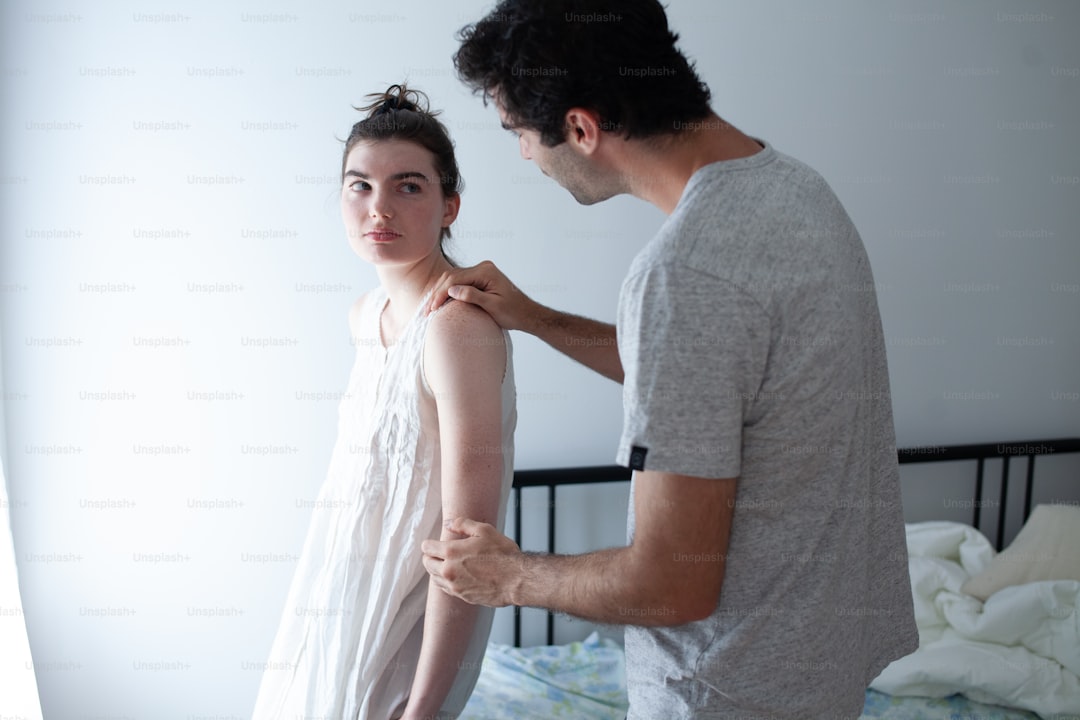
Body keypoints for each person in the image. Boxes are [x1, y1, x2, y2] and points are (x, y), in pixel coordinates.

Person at [420, 1, 918, 718]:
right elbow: (717, 379)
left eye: (519, 134)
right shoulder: (797, 191)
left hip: (727, 691)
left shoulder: (684, 274)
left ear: (581, 128)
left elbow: (669, 585)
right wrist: (536, 318)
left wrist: (511, 575)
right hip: (819, 673)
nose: (525, 155)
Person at [252, 84, 516, 720]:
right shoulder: (363, 316)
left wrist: (422, 708)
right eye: (359, 186)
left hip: (406, 636)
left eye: (409, 186)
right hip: (336, 600)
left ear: (449, 204)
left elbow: (465, 543)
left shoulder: (455, 329)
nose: (379, 209)